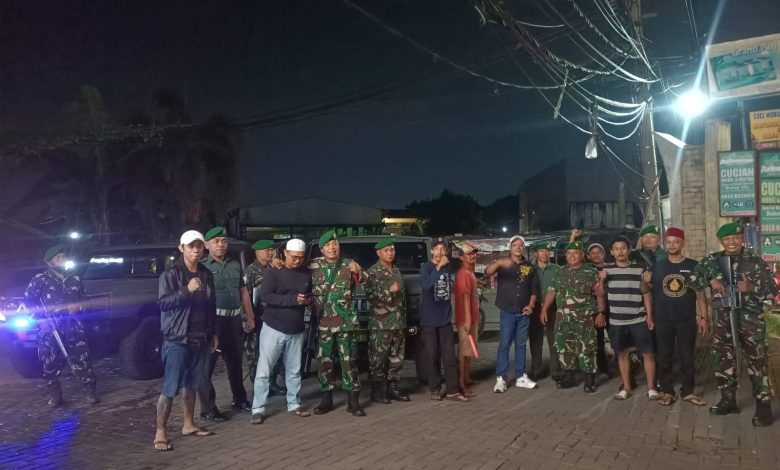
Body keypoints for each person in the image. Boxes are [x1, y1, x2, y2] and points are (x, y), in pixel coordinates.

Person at [689, 222, 776, 426]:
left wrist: (751, 287)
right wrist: (711, 279)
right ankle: (728, 401)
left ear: (742, 239)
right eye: (727, 239)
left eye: (735, 238)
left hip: (750, 322)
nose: (732, 242)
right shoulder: (712, 261)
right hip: (723, 321)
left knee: (757, 363)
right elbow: (692, 279)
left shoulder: (755, 261)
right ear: (721, 241)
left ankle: (763, 408)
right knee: (723, 360)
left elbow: (773, 291)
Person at [154, 230, 219, 452]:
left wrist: (214, 333)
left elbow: (212, 305)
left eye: (199, 246)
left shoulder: (206, 273)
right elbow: (163, 303)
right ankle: (160, 432)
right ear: (181, 248)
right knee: (170, 388)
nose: (195, 250)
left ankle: (188, 424)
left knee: (192, 384)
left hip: (201, 338)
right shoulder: (170, 275)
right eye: (191, 246)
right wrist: (186, 290)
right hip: (177, 339)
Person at [25, 245, 98, 407]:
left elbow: (86, 301)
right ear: (49, 262)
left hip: (73, 327)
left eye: (64, 256)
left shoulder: (74, 279)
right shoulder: (40, 280)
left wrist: (79, 307)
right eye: (58, 257)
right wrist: (41, 321)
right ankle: (55, 396)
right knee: (50, 363)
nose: (62, 259)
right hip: (50, 328)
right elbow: (29, 303)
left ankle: (90, 392)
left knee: (83, 359)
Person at [250, 239, 312, 424]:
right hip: (273, 328)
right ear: (285, 253)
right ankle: (258, 408)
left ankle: (294, 403)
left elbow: (310, 295)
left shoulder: (306, 273)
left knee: (294, 370)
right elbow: (266, 296)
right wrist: (293, 300)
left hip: (296, 328)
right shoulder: (273, 272)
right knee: (264, 371)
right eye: (294, 257)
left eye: (301, 257)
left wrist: (307, 301)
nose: (297, 260)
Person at [198, 227, 255, 421]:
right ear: (207, 245)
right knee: (206, 367)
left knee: (235, 364)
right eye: (216, 241)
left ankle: (239, 399)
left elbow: (243, 292)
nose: (221, 244)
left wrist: (250, 317)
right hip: (214, 322)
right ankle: (208, 408)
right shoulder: (202, 267)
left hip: (234, 320)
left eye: (223, 241)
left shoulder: (235, 265)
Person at [310, 230, 366, 416]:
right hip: (324, 324)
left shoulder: (349, 264)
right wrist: (277, 261)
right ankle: (326, 400)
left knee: (349, 361)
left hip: (346, 324)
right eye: (328, 245)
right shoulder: (313, 265)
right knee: (324, 361)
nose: (332, 248)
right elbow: (293, 267)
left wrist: (359, 271)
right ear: (321, 250)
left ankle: (353, 402)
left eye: (335, 244)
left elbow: (367, 283)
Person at [651, 227, 708, 407]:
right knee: (664, 356)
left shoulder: (693, 265)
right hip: (663, 319)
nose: (672, 245)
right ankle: (667, 391)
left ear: (682, 243)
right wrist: (649, 315)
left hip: (686, 319)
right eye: (669, 242)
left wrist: (704, 317)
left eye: (676, 242)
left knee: (687, 356)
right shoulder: (658, 266)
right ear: (664, 244)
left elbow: (700, 293)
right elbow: (647, 291)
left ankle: (688, 391)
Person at [540, 241, 606, 393]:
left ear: (582, 255)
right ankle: (569, 378)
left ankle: (589, 381)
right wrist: (544, 310)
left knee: (587, 347)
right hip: (563, 319)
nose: (572, 256)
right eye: (569, 253)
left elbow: (600, 294)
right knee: (564, 347)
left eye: (576, 253)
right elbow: (552, 291)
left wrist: (601, 313)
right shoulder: (560, 272)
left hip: (585, 319)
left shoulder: (591, 272)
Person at [601, 236, 657, 400]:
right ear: (612, 252)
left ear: (629, 250)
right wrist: (601, 280)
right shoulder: (607, 270)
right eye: (616, 249)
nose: (620, 252)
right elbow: (601, 294)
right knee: (622, 354)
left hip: (639, 319)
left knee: (648, 354)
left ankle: (652, 389)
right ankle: (626, 388)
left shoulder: (639, 269)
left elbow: (646, 293)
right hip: (617, 321)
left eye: (623, 248)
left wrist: (649, 316)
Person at [484, 235, 538, 393]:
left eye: (520, 245)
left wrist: (531, 305)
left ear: (523, 248)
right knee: (505, 344)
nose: (518, 247)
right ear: (510, 248)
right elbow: (488, 272)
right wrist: (499, 262)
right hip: (507, 311)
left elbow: (534, 289)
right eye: (515, 245)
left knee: (521, 345)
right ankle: (501, 378)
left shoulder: (529, 267)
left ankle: (521, 376)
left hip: (524, 313)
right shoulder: (503, 263)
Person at [419, 238, 467, 402]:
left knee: (449, 357)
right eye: (436, 249)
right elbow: (426, 285)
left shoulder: (448, 267)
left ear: (446, 252)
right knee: (432, 356)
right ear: (432, 251)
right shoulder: (425, 268)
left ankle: (453, 390)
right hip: (429, 321)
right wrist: (438, 267)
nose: (440, 252)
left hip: (445, 320)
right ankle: (435, 389)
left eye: (443, 249)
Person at [364, 238, 411, 404]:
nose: (390, 253)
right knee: (378, 359)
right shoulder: (372, 273)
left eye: (392, 250)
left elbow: (402, 299)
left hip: (398, 322)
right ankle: (377, 392)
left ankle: (393, 389)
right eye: (386, 251)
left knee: (396, 358)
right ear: (379, 253)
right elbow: (370, 297)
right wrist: (388, 291)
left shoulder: (396, 271)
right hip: (381, 324)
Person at [244, 239, 286, 395]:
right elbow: (245, 297)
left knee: (275, 352)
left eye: (271, 250)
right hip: (258, 318)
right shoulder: (250, 271)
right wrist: (248, 319)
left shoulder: (275, 268)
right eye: (267, 250)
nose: (270, 253)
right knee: (256, 354)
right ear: (258, 252)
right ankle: (259, 387)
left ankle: (272, 383)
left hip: (274, 318)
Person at [528, 241, 560, 382]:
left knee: (554, 339)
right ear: (536, 254)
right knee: (536, 341)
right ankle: (536, 370)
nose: (545, 253)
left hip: (553, 307)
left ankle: (556, 371)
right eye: (541, 251)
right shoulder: (530, 270)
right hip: (535, 308)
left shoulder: (557, 269)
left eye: (547, 251)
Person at [454, 241, 480, 398]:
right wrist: (468, 320)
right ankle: (461, 384)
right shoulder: (463, 274)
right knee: (464, 352)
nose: (472, 256)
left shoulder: (469, 272)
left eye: (473, 253)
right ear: (461, 257)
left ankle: (466, 378)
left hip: (471, 318)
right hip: (466, 320)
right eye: (469, 254)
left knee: (469, 350)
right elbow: (465, 298)